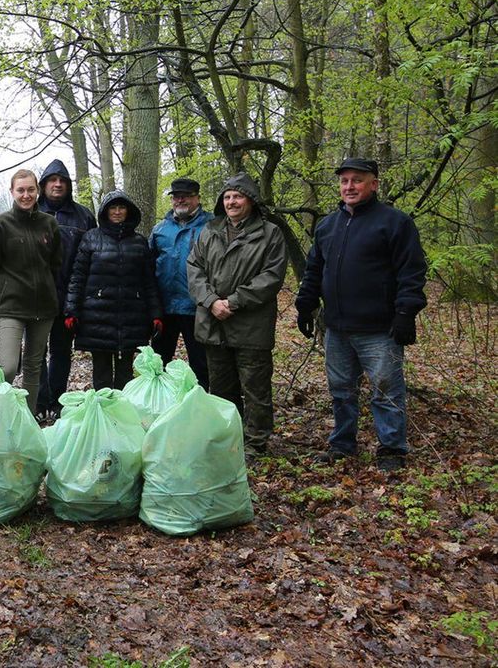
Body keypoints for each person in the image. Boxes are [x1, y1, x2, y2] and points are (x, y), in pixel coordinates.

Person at [295, 158, 427, 472]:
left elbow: (412, 271)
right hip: (337, 327)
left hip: (379, 329)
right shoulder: (328, 225)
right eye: (344, 181)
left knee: (386, 389)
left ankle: (392, 449)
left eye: (357, 180)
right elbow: (314, 269)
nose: (349, 187)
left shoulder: (394, 222)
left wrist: (406, 312)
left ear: (374, 184)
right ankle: (342, 444)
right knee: (341, 389)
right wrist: (305, 304)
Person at [187, 173, 289, 459]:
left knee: (255, 387)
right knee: (220, 386)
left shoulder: (270, 233)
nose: (231, 202)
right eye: (227, 197)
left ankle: (255, 443)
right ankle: (227, 437)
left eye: (238, 196)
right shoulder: (210, 230)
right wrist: (210, 301)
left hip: (250, 324)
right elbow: (194, 268)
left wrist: (232, 302)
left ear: (251, 201)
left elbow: (271, 277)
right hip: (213, 322)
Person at [0, 169, 61, 414]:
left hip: (44, 307)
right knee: (8, 367)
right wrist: (4, 291)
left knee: (34, 366)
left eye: (30, 190)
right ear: (12, 192)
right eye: (21, 190)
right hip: (13, 306)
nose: (26, 195)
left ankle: (28, 417)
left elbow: (56, 263)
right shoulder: (1, 224)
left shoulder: (49, 223)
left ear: (38, 191)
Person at [64, 190, 162, 390]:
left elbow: (148, 281)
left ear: (129, 211)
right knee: (101, 372)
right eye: (113, 208)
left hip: (132, 316)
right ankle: (103, 413)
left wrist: (156, 314)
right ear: (105, 212)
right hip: (96, 317)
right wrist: (71, 310)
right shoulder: (91, 239)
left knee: (126, 371)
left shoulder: (139, 242)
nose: (117, 212)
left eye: (121, 207)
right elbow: (78, 276)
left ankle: (122, 413)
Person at [35, 159, 96, 416]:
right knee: (36, 354)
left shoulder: (83, 217)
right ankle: (39, 401)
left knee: (61, 352)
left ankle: (57, 402)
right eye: (52, 180)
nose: (57, 184)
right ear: (44, 185)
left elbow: (93, 259)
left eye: (62, 181)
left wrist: (82, 299)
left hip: (69, 298)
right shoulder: (30, 212)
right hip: (35, 298)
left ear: (68, 185)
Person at [149, 177, 213, 389]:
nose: (181, 200)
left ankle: (200, 405)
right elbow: (149, 266)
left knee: (201, 363)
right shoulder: (160, 229)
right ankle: (159, 405)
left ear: (197, 198)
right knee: (158, 362)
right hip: (165, 308)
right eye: (177, 197)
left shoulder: (212, 226)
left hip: (198, 307)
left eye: (186, 196)